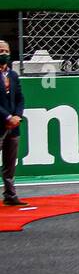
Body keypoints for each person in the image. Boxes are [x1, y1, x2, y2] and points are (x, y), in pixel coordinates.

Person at [0, 42, 23, 206]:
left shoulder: (13, 75)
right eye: (1, 51)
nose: (4, 53)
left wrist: (17, 116)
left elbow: (20, 97)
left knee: (10, 163)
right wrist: (7, 117)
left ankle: (10, 194)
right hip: (2, 123)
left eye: (6, 51)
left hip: (14, 126)